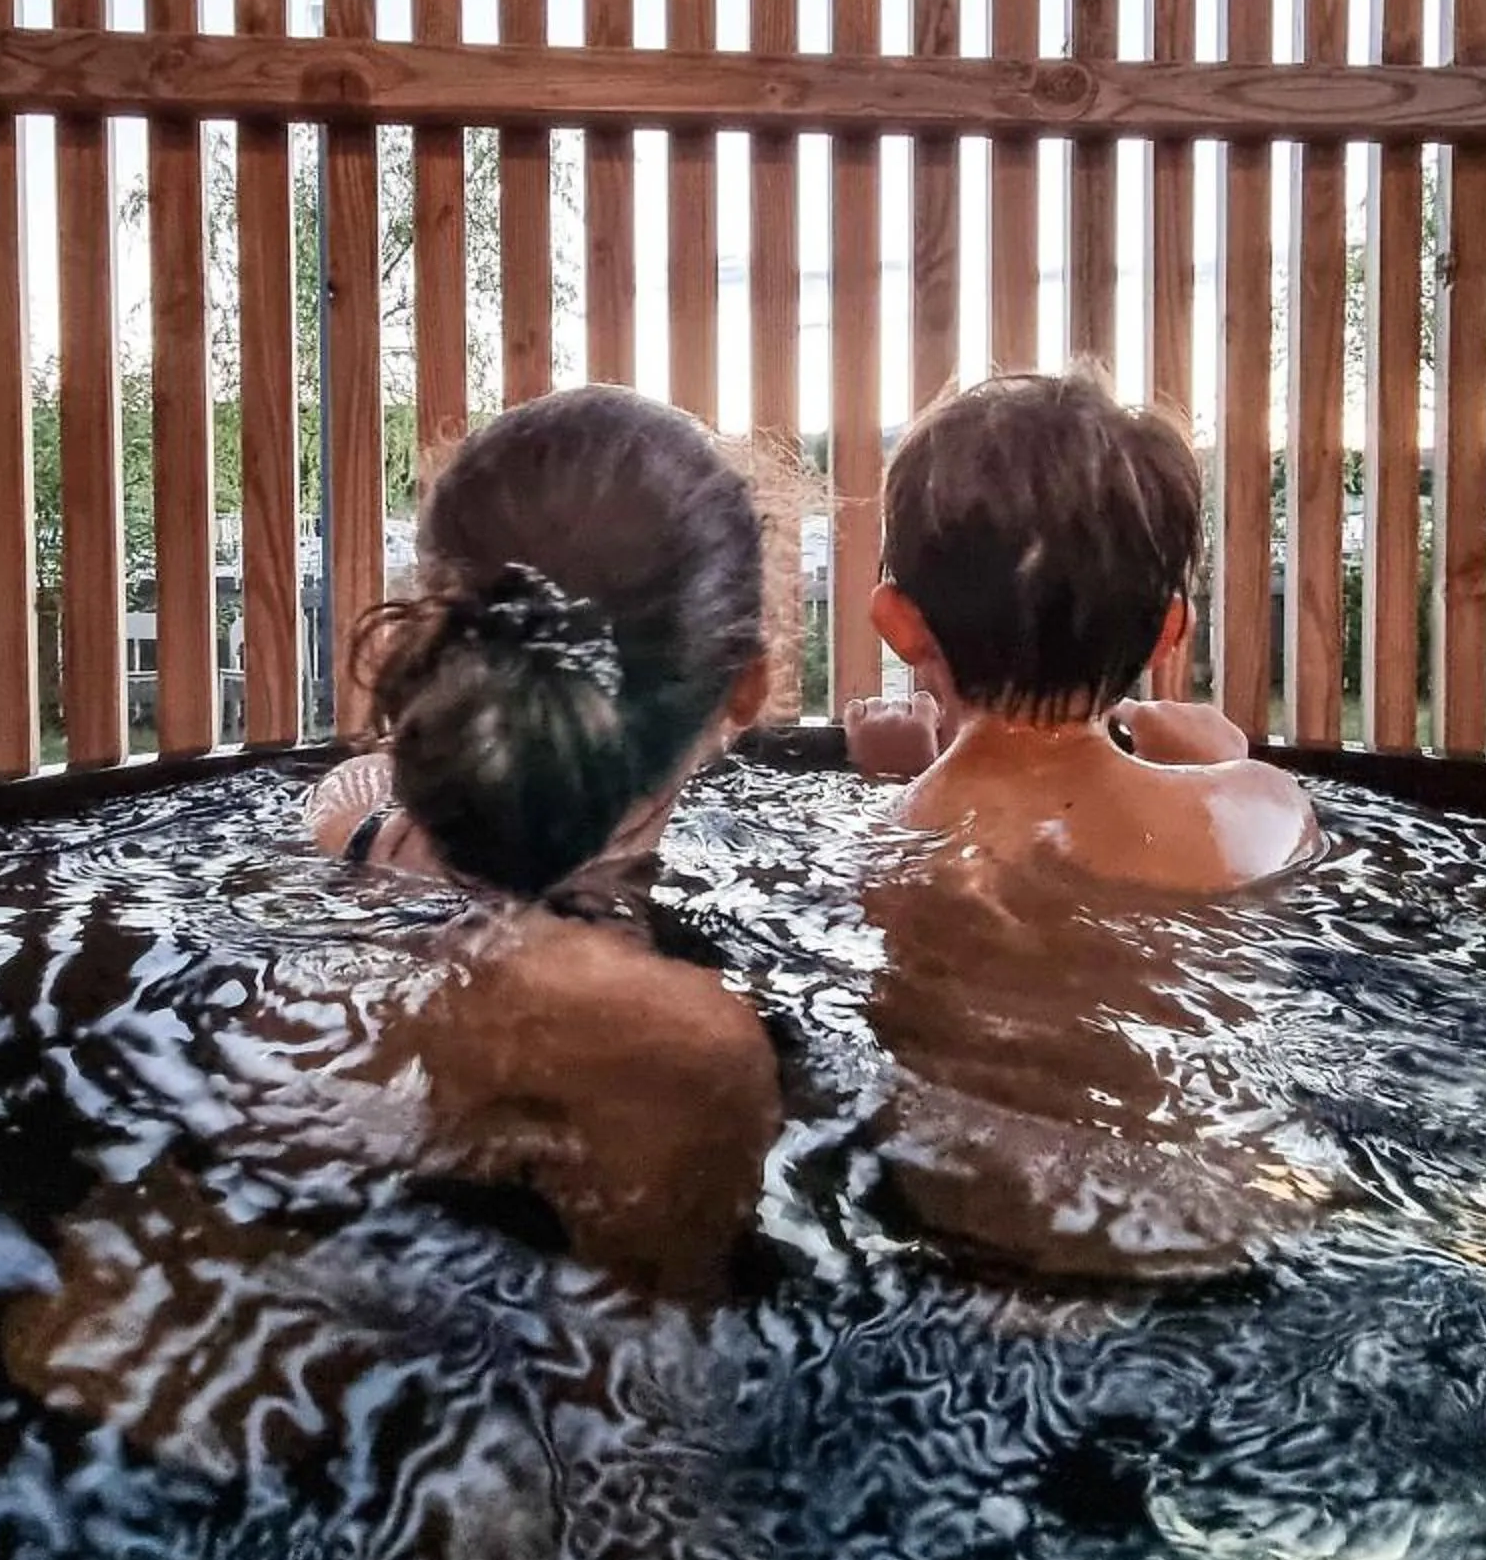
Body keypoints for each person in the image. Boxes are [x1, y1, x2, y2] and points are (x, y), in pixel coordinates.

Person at [289, 384, 786, 1296]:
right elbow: (646, 1387)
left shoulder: (352, 858)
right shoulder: (684, 1039)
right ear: (744, 690)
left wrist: (361, 830)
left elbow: (349, 792)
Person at [841, 371, 1318, 896]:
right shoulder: (1265, 811)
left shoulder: (871, 858)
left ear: (896, 624)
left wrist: (891, 783)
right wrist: (1225, 769)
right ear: (1168, 632)